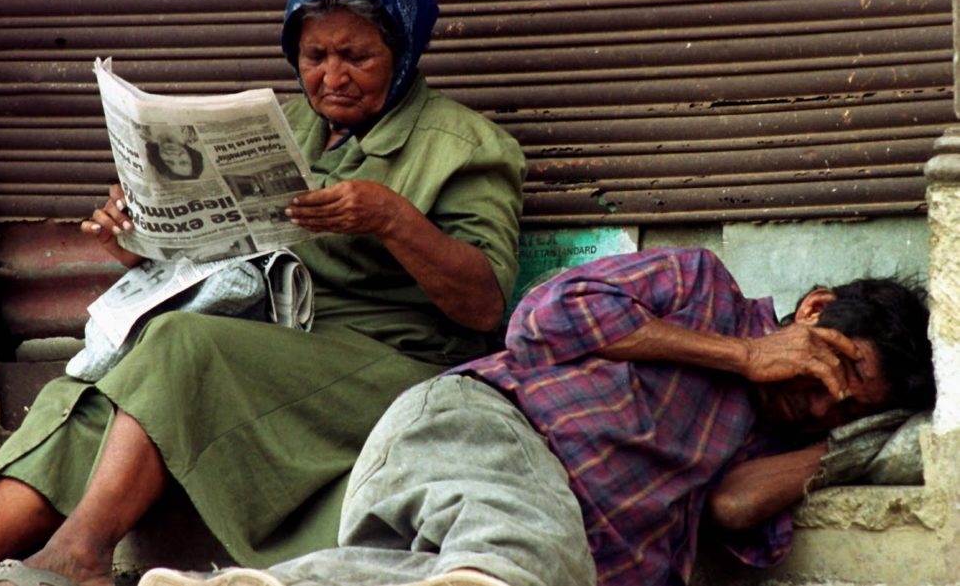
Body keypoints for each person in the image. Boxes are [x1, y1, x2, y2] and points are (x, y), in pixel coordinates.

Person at [0, 0, 524, 586]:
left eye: (357, 56)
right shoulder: (289, 125)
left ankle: (82, 551)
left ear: (402, 53)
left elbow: (485, 306)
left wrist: (393, 218)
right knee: (93, 382)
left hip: (392, 361)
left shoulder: (466, 146)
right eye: (314, 54)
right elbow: (224, 247)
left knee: (182, 347)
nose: (331, 76)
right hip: (275, 339)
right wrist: (138, 237)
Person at [136, 247, 935, 586]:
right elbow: (544, 318)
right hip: (481, 430)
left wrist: (865, 435)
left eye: (845, 406)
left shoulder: (769, 440)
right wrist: (744, 354)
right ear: (815, 307)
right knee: (529, 539)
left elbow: (733, 506)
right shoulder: (703, 288)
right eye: (837, 365)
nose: (821, 397)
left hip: (493, 538)